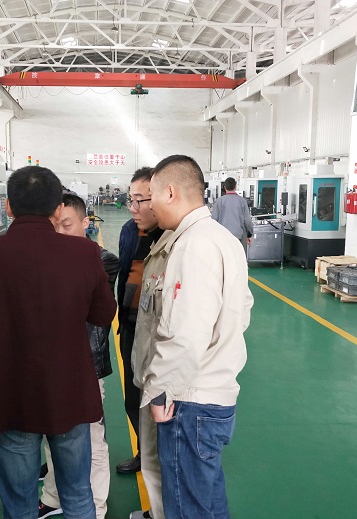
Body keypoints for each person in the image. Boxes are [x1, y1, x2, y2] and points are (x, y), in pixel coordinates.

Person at [0, 166, 117, 519]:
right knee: (78, 495)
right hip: (69, 394)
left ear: (8, 206)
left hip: (9, 398)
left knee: (19, 504)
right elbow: (103, 314)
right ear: (58, 208)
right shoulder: (84, 254)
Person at [141, 155, 254, 518]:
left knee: (186, 506)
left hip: (189, 400)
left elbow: (184, 335)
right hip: (216, 395)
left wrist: (160, 390)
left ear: (170, 192)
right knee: (207, 500)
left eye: (152, 195)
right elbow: (243, 309)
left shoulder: (191, 245)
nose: (150, 206)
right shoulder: (223, 239)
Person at [39, 193, 119, 519]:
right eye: (54, 226)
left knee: (91, 439)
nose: (59, 233)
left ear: (86, 223)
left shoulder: (104, 260)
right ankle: (53, 496)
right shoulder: (47, 258)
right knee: (51, 434)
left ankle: (96, 506)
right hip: (50, 365)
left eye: (67, 225)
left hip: (86, 365)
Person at [116, 166, 165, 475]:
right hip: (131, 324)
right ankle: (143, 453)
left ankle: (160, 459)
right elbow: (125, 274)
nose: (133, 208)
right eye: (130, 200)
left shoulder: (172, 237)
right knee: (132, 397)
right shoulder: (128, 230)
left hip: (159, 331)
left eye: (139, 200)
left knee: (158, 398)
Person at [210, 176, 253, 252]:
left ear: (224, 187)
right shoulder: (242, 201)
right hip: (239, 236)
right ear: (236, 186)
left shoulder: (219, 201)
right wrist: (250, 234)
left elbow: (214, 220)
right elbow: (247, 221)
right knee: (238, 257)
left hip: (223, 236)